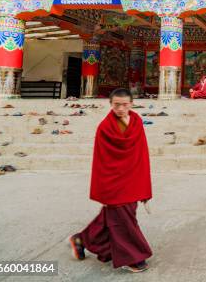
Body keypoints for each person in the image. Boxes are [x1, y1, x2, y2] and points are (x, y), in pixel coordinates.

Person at [69, 88, 152, 273]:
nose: (121, 108)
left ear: (131, 103)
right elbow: (103, 160)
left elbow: (140, 155)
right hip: (113, 180)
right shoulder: (105, 127)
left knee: (116, 216)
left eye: (124, 104)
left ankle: (81, 239)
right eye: (116, 105)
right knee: (123, 219)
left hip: (132, 178)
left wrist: (143, 184)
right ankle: (133, 256)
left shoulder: (137, 121)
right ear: (110, 104)